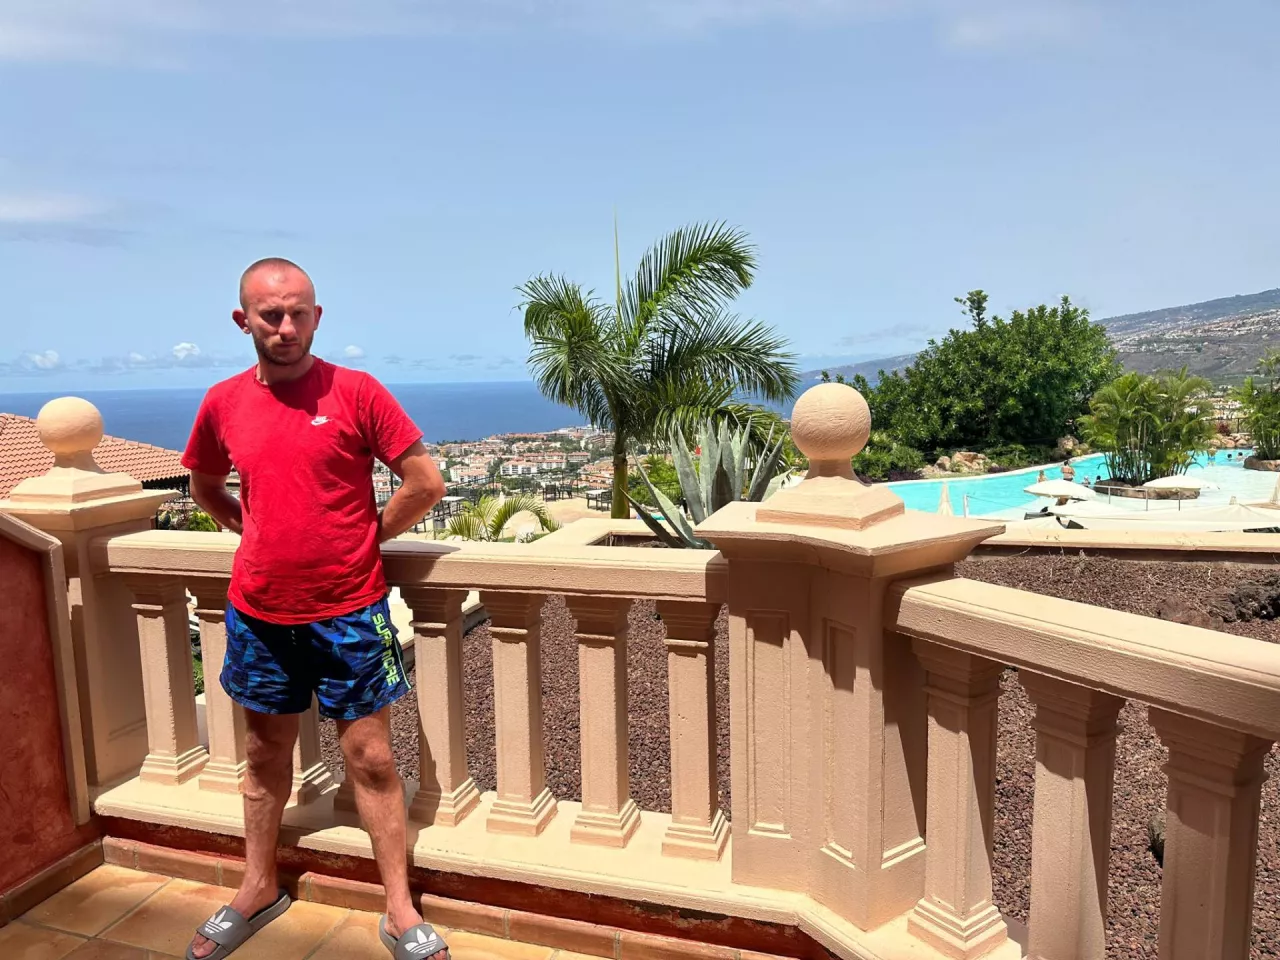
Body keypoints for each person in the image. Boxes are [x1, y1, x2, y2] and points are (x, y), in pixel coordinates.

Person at [182, 259, 449, 960]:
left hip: (350, 612)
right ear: (243, 320)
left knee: (372, 759)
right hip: (259, 612)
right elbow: (205, 484)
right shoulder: (222, 402)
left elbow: (424, 482)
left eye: (298, 312)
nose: (286, 327)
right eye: (271, 315)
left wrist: (365, 536)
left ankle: (399, 907)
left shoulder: (356, 391)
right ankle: (257, 886)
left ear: (317, 317)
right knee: (263, 754)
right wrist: (251, 528)